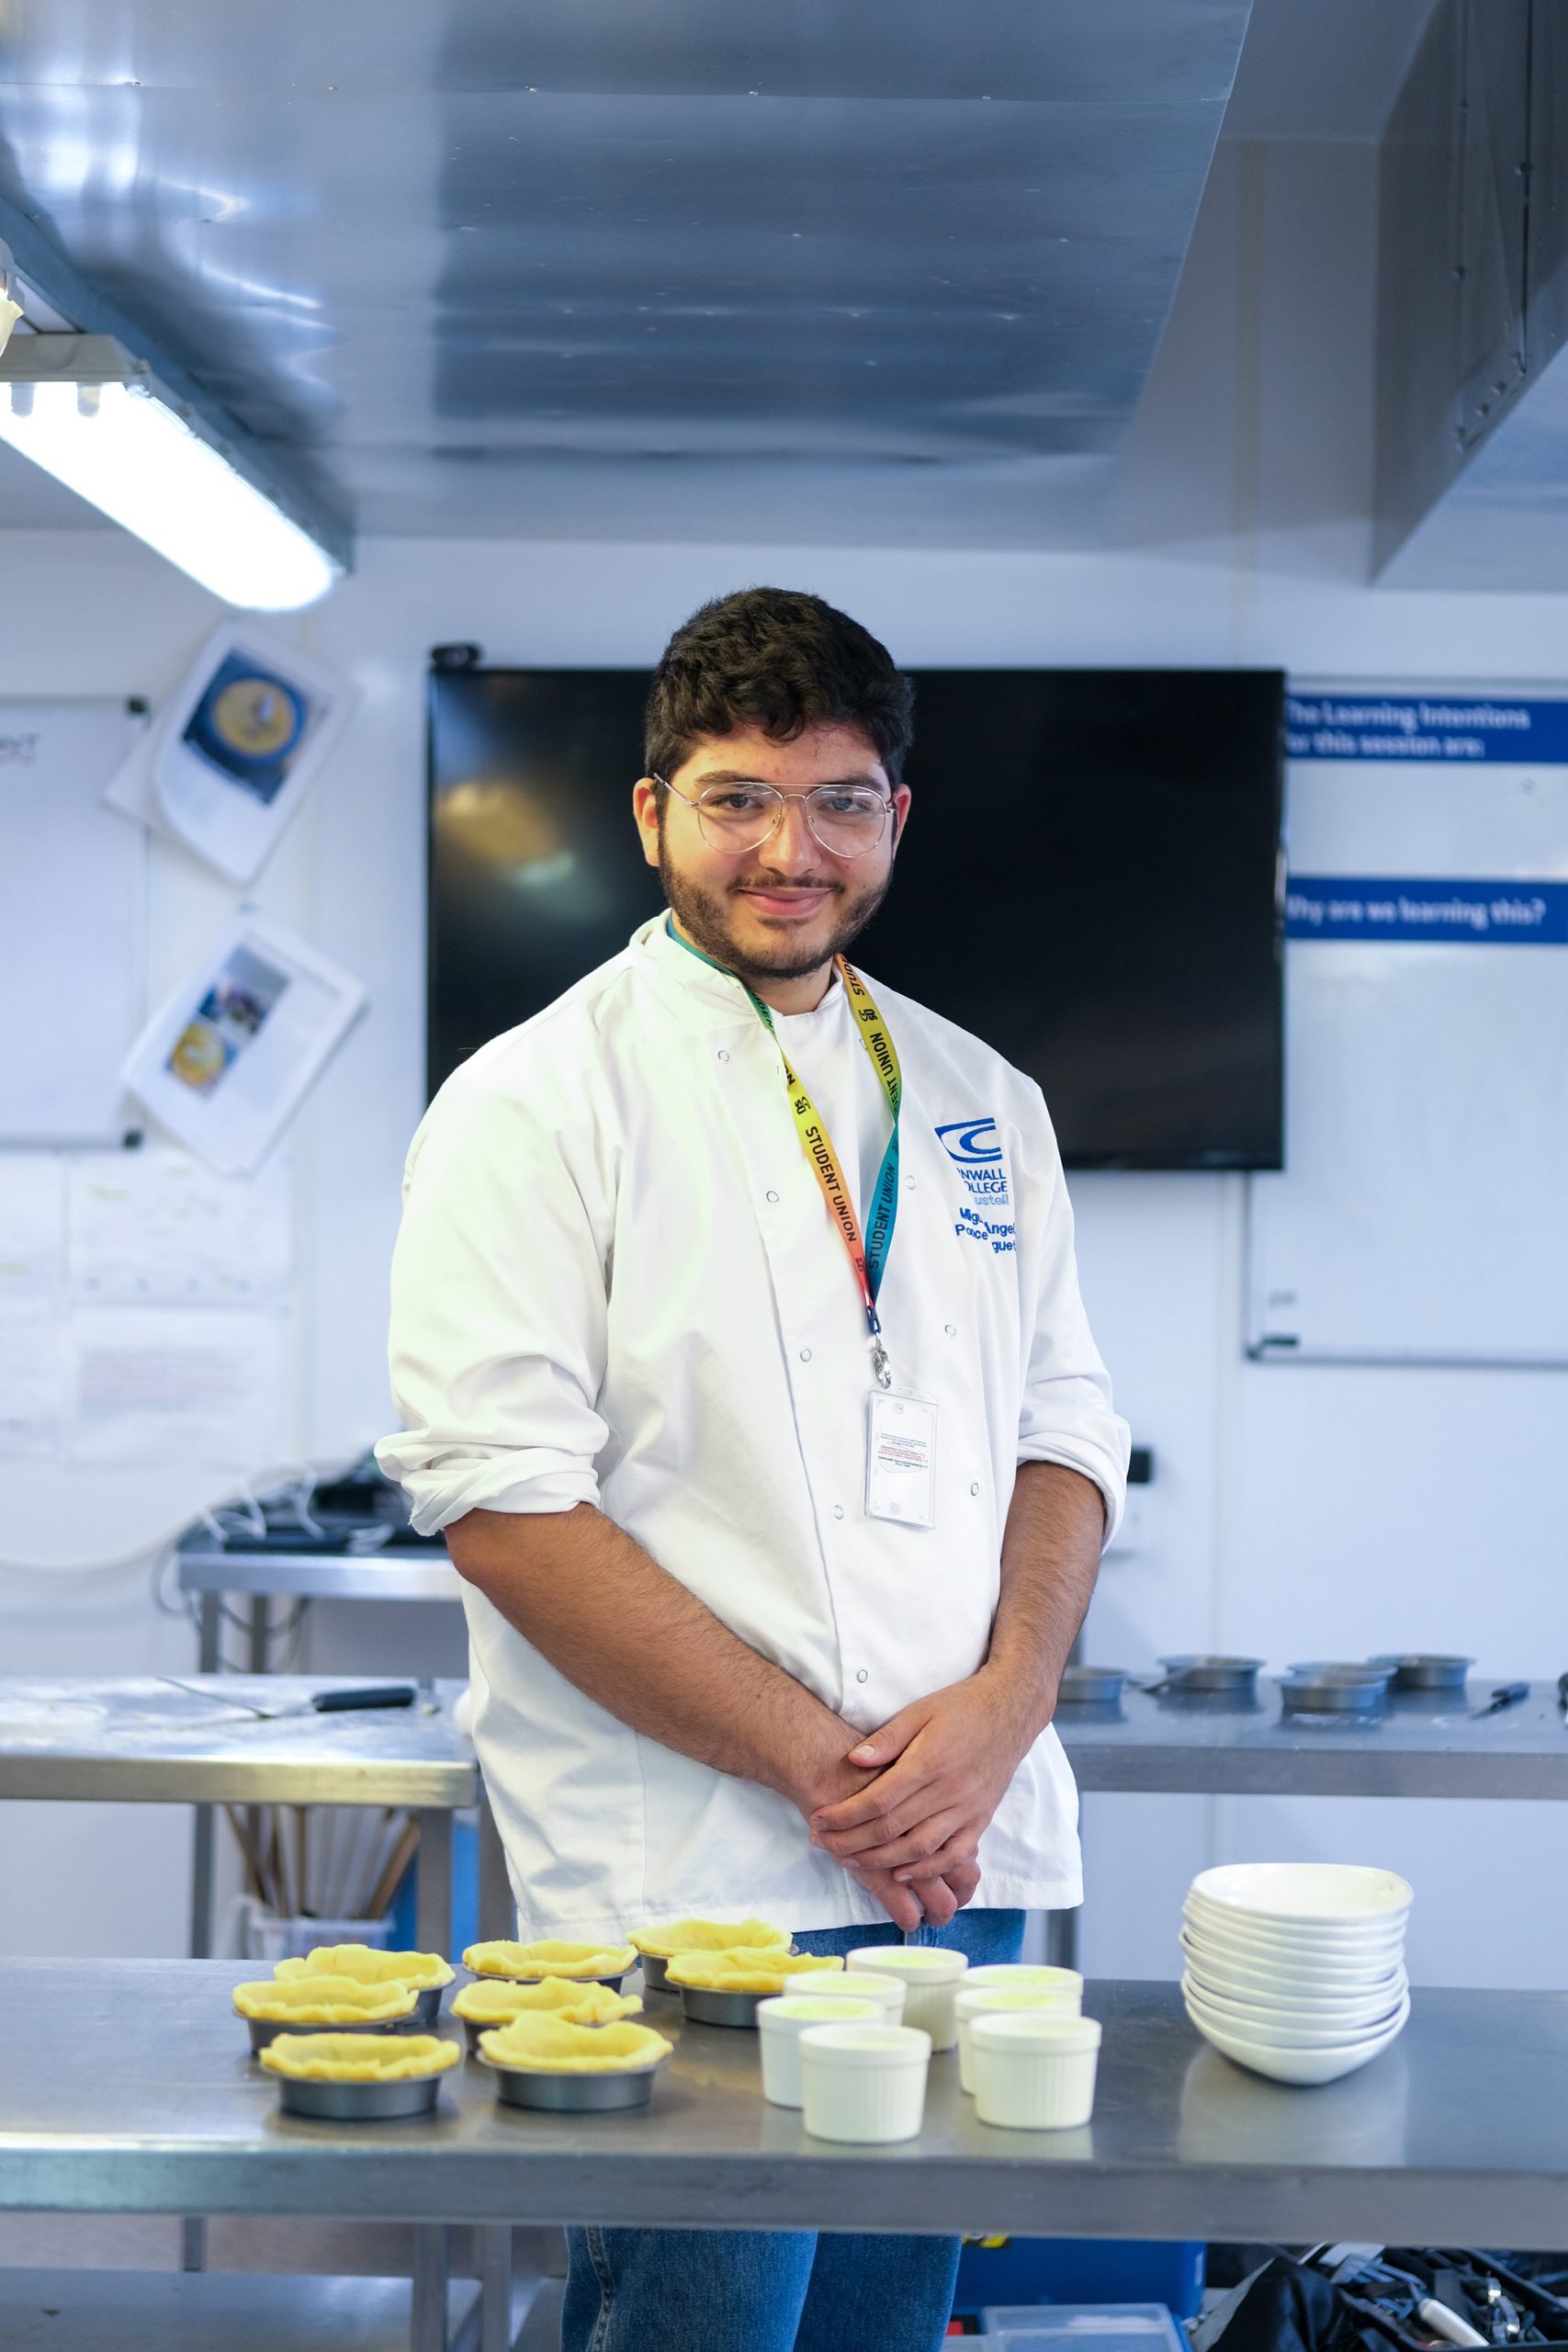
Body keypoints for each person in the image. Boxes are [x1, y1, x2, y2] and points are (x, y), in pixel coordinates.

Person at [377, 586, 1130, 2352]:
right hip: (687, 1873)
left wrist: (1007, 1706)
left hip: (952, 1867)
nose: (791, 850)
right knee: (703, 2326)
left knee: (891, 2318)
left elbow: (1065, 1430)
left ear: (895, 818)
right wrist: (833, 1774)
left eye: (841, 799)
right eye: (737, 797)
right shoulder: (533, 1100)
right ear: (652, 815)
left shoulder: (979, 1097)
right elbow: (502, 1508)